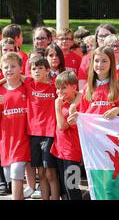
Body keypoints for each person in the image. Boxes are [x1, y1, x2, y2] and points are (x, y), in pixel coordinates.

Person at [25, 56, 60, 200]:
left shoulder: (54, 86)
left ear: (47, 70)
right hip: (33, 134)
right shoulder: (28, 84)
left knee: (50, 173)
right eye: (34, 69)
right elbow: (11, 78)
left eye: (40, 68)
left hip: (49, 134)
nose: (37, 71)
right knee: (41, 173)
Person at [0, 52, 30, 200]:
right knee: (10, 176)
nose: (9, 69)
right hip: (6, 141)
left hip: (23, 139)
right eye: (6, 67)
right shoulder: (0, 90)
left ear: (20, 68)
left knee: (17, 171)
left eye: (13, 66)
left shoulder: (27, 87)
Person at [52, 71, 83, 200]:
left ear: (74, 87)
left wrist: (57, 109)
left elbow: (62, 126)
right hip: (60, 150)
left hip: (73, 152)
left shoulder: (77, 104)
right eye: (58, 88)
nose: (60, 91)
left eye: (63, 87)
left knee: (72, 185)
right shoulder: (63, 101)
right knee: (65, 187)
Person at [75, 46, 119, 118]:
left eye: (104, 61)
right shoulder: (87, 87)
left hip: (111, 128)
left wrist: (118, 110)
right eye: (96, 61)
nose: (99, 65)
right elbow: (83, 113)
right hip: (92, 128)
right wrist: (76, 118)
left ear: (111, 63)